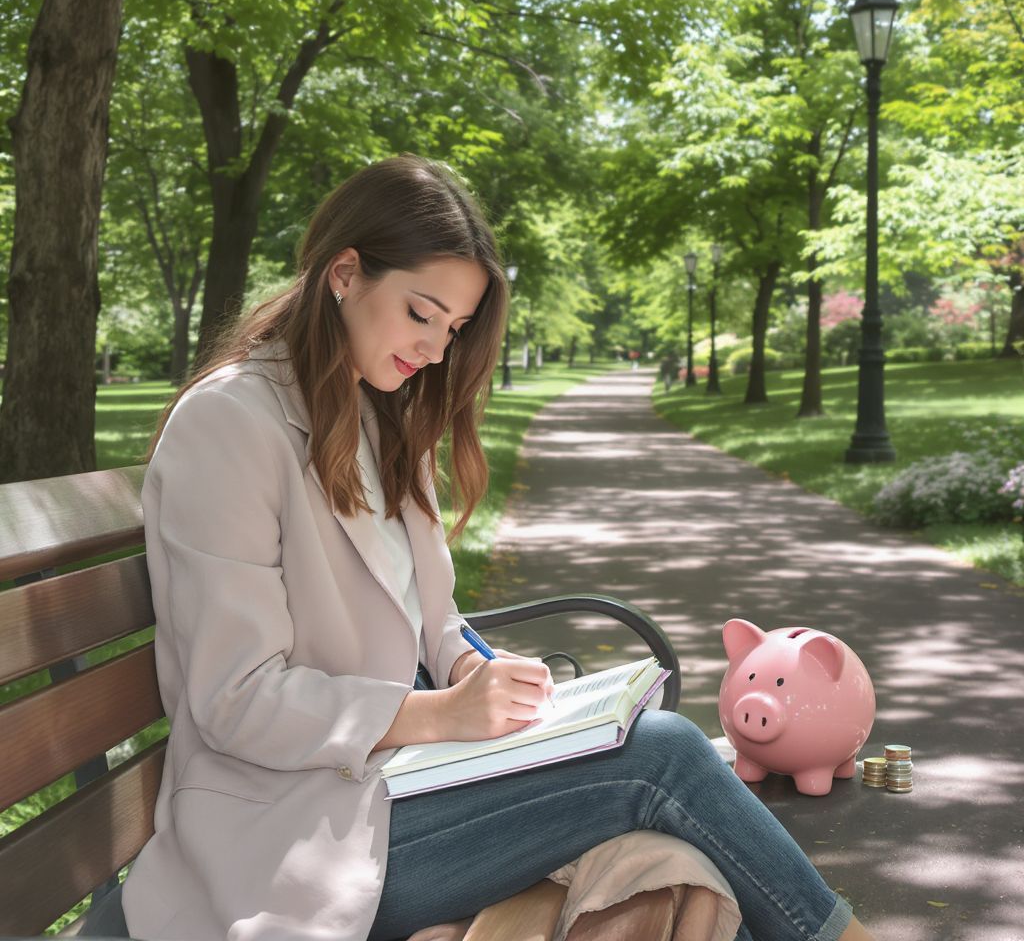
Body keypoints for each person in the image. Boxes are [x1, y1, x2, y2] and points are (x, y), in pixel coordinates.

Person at [120, 155, 875, 941]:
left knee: (678, 855)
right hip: (291, 830)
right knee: (666, 758)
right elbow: (234, 699)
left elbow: (428, 618)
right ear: (345, 272)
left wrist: (475, 672)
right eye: (422, 313)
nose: (437, 350)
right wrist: (439, 713)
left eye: (452, 328)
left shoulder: (379, 413)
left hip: (396, 788)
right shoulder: (231, 423)